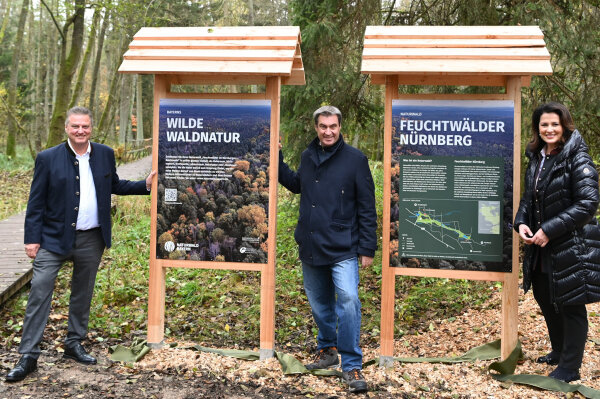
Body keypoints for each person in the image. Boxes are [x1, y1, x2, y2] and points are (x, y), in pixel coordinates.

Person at [6, 106, 156, 382]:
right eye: (75, 126)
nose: (80, 131)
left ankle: (74, 343)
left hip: (91, 237)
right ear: (66, 128)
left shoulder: (105, 154)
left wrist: (144, 185)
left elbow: (115, 185)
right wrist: (32, 238)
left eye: (85, 126)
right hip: (52, 238)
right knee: (40, 290)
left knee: (83, 292)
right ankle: (28, 354)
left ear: (91, 128)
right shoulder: (48, 158)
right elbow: (35, 202)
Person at [278, 105, 377, 393]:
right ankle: (327, 349)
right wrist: (278, 157)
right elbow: (298, 185)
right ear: (316, 128)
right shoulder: (309, 156)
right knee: (320, 303)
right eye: (323, 126)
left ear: (340, 127)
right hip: (311, 242)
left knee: (348, 299)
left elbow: (367, 208)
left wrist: (367, 248)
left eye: (333, 126)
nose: (328, 131)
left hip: (344, 245)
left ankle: (351, 365)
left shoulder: (355, 160)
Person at [514, 102, 600, 382]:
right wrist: (522, 222)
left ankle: (569, 367)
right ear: (537, 129)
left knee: (570, 304)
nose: (549, 129)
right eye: (544, 125)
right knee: (545, 297)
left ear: (564, 126)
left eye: (554, 124)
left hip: (571, 245)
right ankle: (559, 350)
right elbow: (529, 197)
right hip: (541, 247)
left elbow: (588, 204)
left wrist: (549, 229)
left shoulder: (578, 158)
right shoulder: (537, 157)